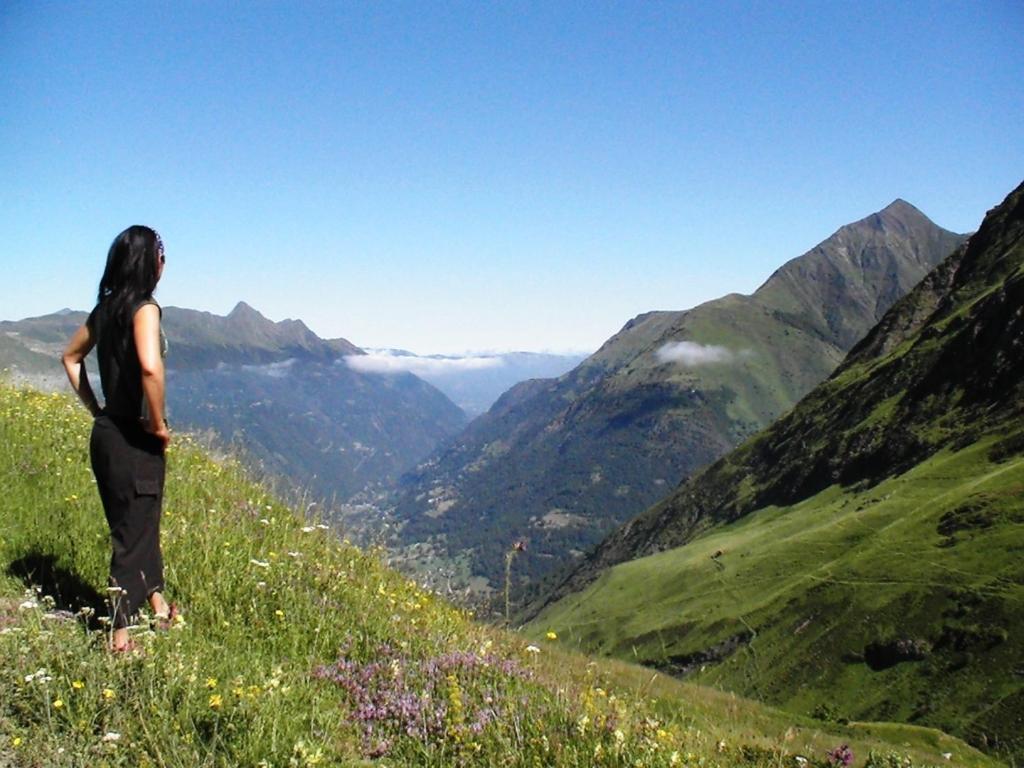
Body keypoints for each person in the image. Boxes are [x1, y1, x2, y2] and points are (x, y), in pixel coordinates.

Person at [62, 225, 176, 652]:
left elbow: (70, 358)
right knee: (133, 533)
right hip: (135, 435)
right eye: (162, 256)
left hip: (107, 433)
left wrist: (96, 408)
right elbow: (150, 367)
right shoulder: (145, 309)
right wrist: (158, 423)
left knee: (136, 524)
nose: (164, 265)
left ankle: (158, 602)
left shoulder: (104, 309)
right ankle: (119, 638)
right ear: (152, 262)